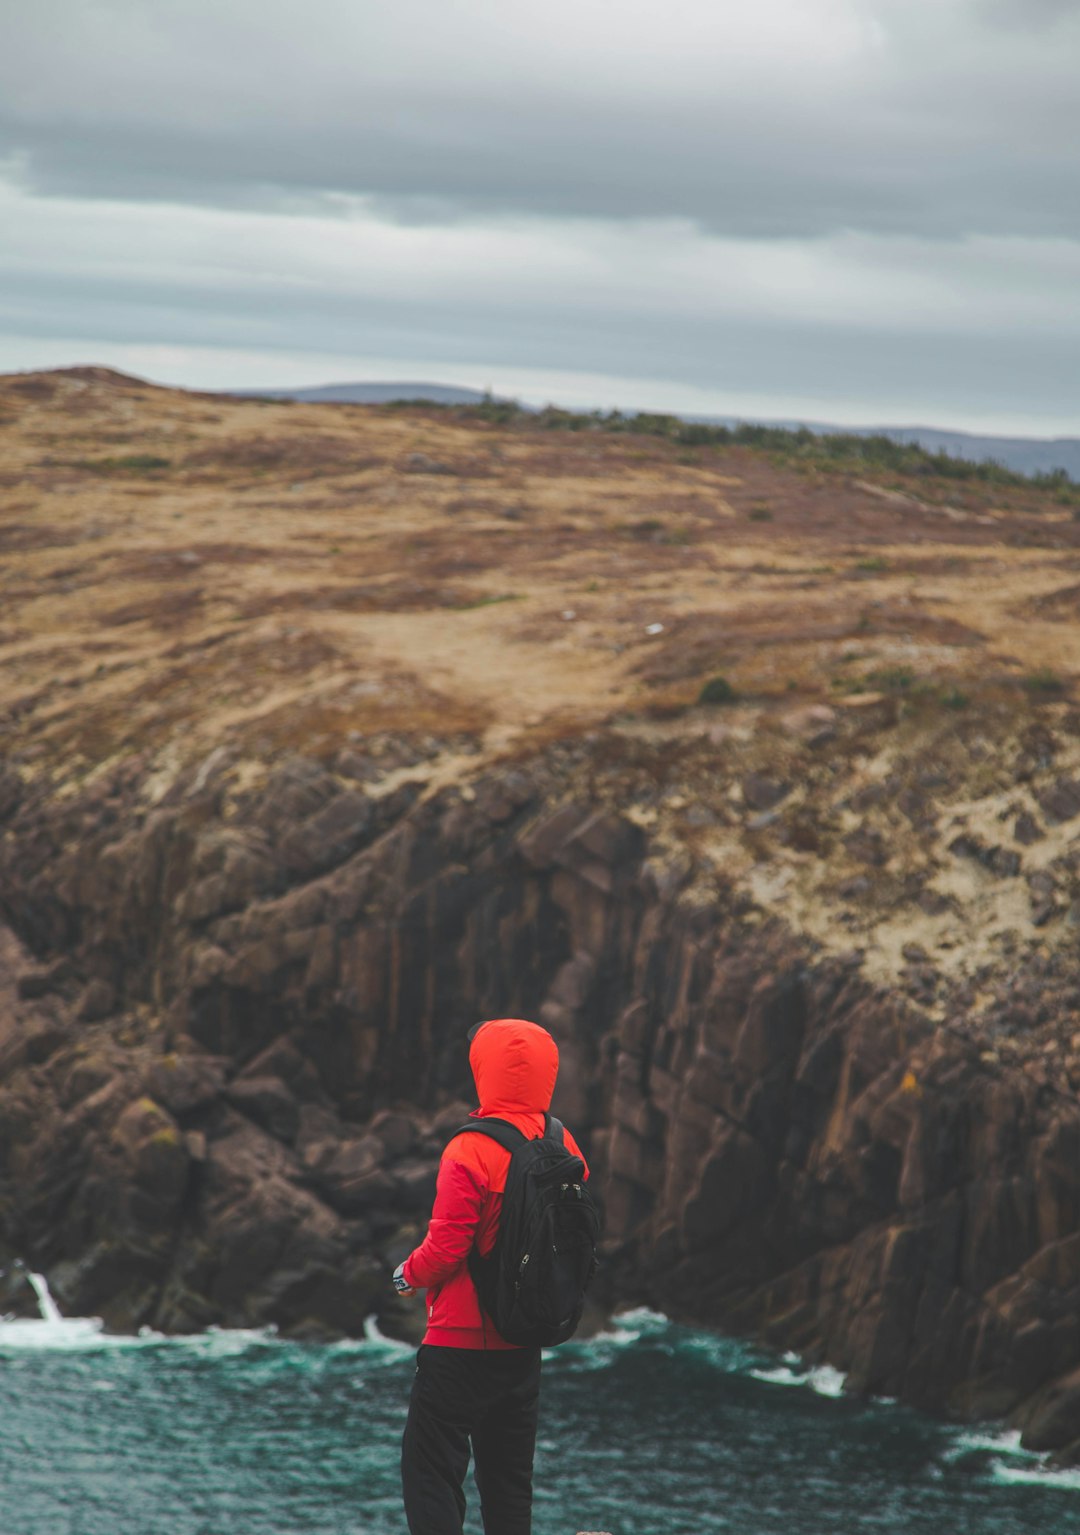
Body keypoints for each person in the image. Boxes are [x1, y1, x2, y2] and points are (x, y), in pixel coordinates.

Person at [395, 1016, 590, 1535]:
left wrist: (405, 1275)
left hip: (458, 1343)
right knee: (508, 1483)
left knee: (430, 1472)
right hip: (523, 1340)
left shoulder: (470, 1148)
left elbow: (446, 1249)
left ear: (483, 1069)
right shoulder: (565, 1144)